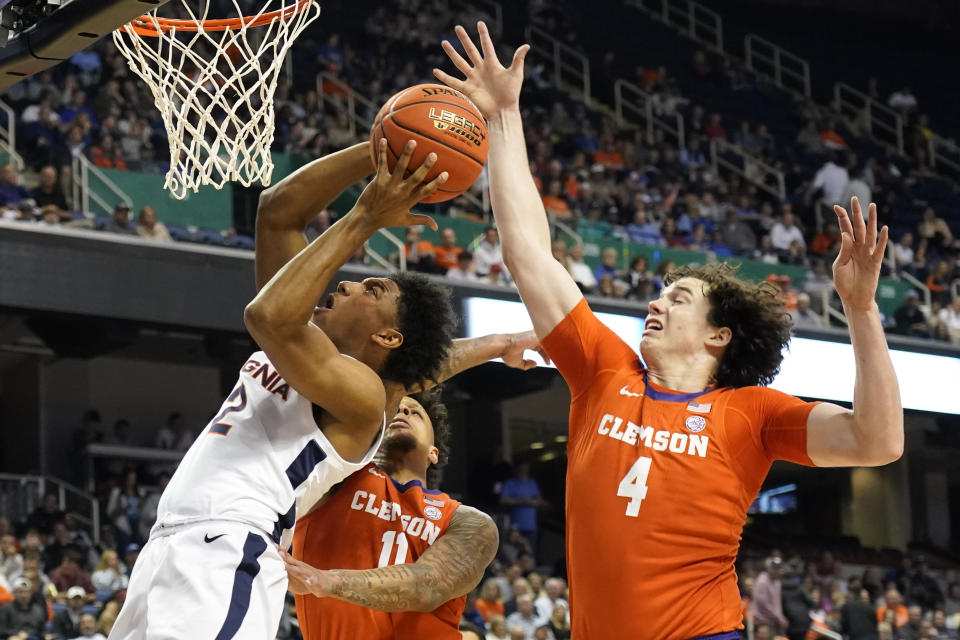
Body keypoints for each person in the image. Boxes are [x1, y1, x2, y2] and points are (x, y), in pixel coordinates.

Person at [435, 23, 903, 639]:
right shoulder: (605, 370)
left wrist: (862, 312)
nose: (655, 306)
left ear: (719, 336)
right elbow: (528, 255)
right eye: (658, 295)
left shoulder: (751, 414)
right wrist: (502, 117)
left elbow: (878, 441)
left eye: (677, 299)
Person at [109, 140, 539, 640]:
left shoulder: (362, 395)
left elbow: (266, 315)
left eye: (372, 290)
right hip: (170, 545)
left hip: (230, 544)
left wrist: (365, 216)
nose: (349, 285)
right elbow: (277, 214)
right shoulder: (313, 348)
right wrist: (380, 146)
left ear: (387, 337)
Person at [285, 390, 501, 639]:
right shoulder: (333, 480)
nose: (403, 411)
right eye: (395, 408)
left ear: (434, 452)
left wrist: (328, 581)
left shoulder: (468, 521)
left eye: (415, 412)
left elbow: (427, 586)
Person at [500, 464, 542, 553]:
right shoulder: (510, 483)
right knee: (515, 553)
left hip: (531, 525)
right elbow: (503, 500)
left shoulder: (532, 483)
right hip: (515, 525)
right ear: (517, 470)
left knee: (530, 553)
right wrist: (521, 501)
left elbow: (539, 501)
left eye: (525, 469)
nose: (523, 471)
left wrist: (531, 502)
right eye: (521, 469)